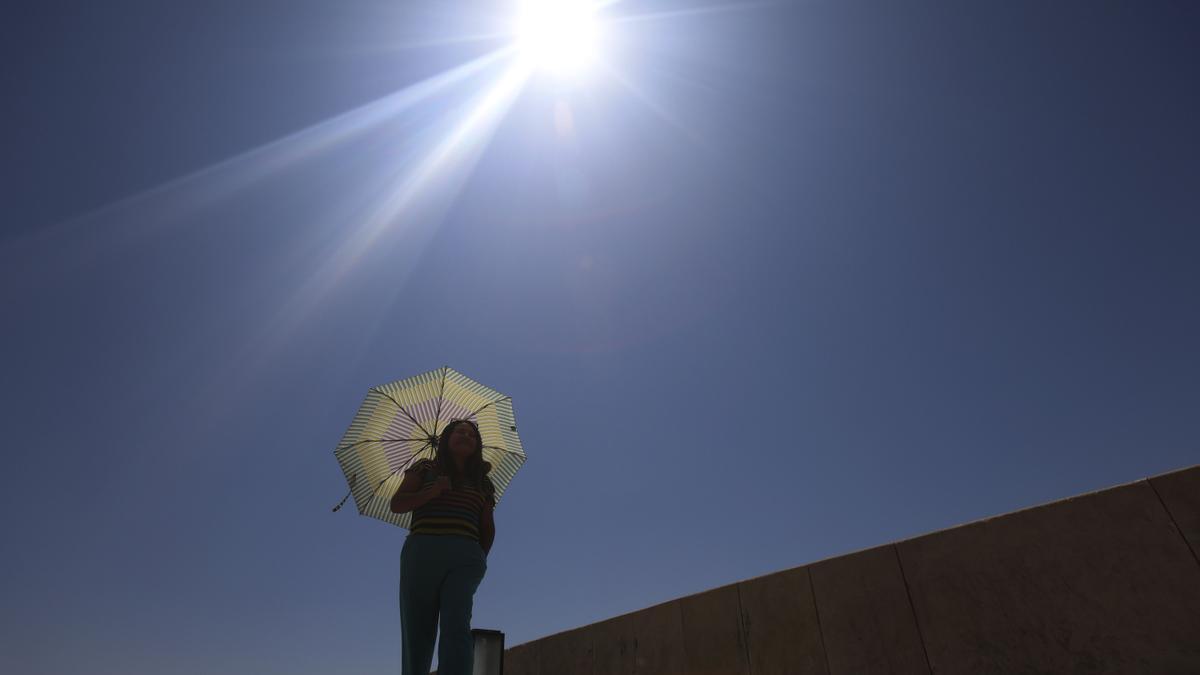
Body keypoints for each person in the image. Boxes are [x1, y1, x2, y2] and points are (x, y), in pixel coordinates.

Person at [390, 418, 497, 675]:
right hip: (422, 553)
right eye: (459, 431)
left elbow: (487, 525)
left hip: (465, 557)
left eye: (471, 434)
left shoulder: (483, 481)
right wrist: (433, 490)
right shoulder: (426, 467)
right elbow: (398, 504)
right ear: (447, 438)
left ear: (477, 444)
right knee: (418, 629)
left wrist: (479, 557)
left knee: (456, 625)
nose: (466, 436)